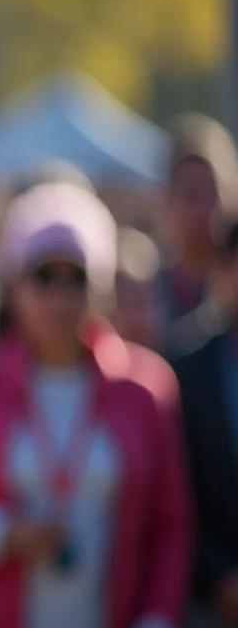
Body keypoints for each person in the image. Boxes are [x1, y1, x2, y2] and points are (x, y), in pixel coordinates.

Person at [0, 183, 189, 628]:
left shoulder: (146, 388)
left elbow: (170, 525)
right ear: (13, 285)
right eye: (44, 277)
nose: (61, 299)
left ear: (100, 286)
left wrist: (156, 617)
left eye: (76, 278)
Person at [170, 222, 238, 627]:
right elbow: (177, 497)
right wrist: (221, 579)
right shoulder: (186, 368)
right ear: (224, 274)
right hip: (209, 605)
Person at [157, 114, 238, 325]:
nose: (202, 209)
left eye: (211, 193)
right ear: (168, 198)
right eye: (191, 195)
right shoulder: (148, 291)